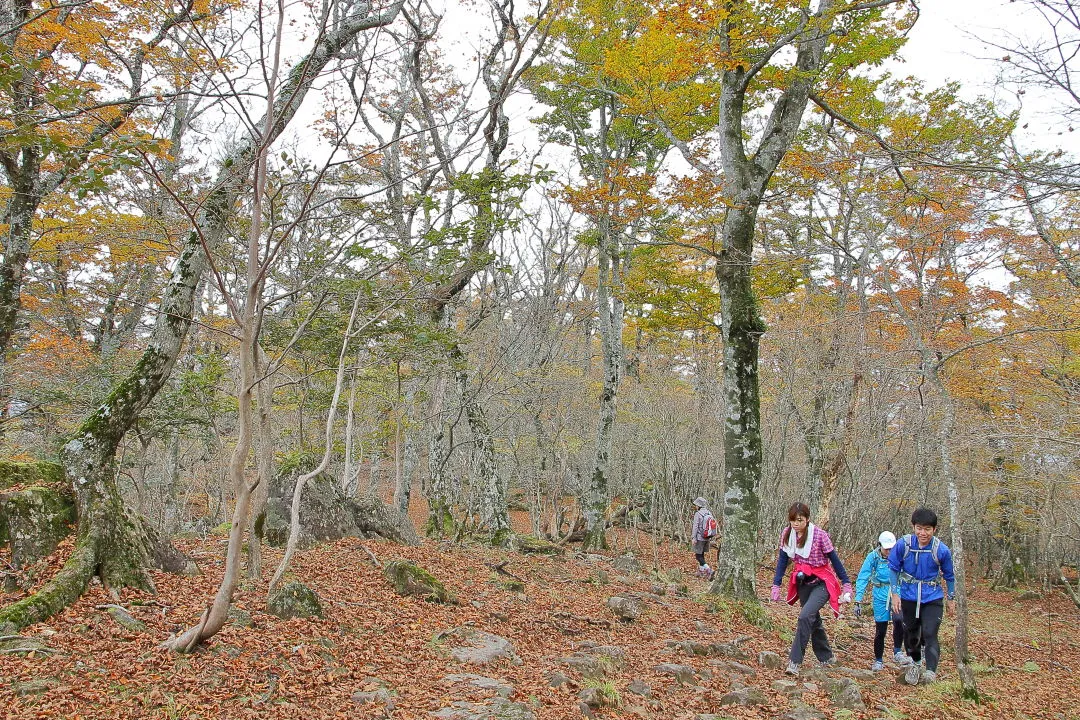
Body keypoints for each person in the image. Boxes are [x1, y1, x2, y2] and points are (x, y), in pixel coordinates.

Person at [770, 502, 853, 676]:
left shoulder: (819, 535)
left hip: (821, 582)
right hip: (802, 582)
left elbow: (834, 560)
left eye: (799, 520)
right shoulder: (787, 534)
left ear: (807, 519)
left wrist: (846, 583)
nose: (795, 524)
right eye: (793, 520)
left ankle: (794, 661)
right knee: (812, 619)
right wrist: (776, 584)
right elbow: (782, 560)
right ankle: (826, 657)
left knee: (805, 616)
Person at [888, 507, 956, 685]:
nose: (922, 533)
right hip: (908, 595)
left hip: (932, 596)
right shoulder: (904, 544)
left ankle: (931, 672)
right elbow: (893, 568)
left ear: (934, 529)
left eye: (927, 529)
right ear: (913, 527)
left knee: (929, 632)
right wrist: (895, 594)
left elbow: (949, 575)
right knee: (910, 631)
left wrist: (951, 598)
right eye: (919, 528)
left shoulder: (941, 550)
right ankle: (916, 663)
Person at [854, 531, 910, 671]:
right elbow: (863, 576)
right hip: (880, 594)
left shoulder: (900, 557)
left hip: (896, 592)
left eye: (892, 548)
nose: (889, 551)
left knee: (899, 620)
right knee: (881, 629)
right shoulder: (873, 557)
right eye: (887, 549)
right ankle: (878, 659)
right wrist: (858, 600)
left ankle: (897, 651)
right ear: (880, 546)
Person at [690, 497, 716, 580]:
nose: (695, 506)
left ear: (698, 505)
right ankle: (700, 572)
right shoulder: (709, 513)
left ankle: (709, 570)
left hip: (699, 538)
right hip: (707, 537)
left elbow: (695, 527)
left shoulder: (698, 514)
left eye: (696, 505)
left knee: (698, 556)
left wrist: (693, 538)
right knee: (701, 555)